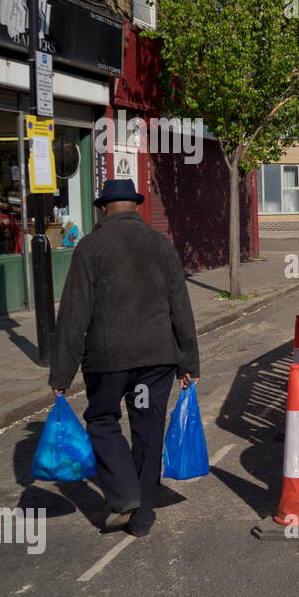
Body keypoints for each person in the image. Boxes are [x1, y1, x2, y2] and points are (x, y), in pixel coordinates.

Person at [48, 179, 200, 538]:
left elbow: (73, 314)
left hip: (108, 359)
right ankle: (142, 514)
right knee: (148, 428)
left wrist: (61, 375)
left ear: (103, 209)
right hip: (157, 358)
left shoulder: (91, 247)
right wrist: (188, 363)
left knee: (102, 421)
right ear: (135, 206)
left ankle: (125, 495)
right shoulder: (161, 245)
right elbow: (181, 308)